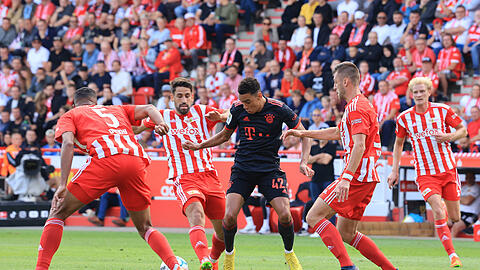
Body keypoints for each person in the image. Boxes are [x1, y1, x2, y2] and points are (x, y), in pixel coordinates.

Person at [35, 87, 185, 270]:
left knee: (57, 213)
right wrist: (160, 123)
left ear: (74, 104)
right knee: (145, 227)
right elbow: (150, 108)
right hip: (135, 161)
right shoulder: (115, 109)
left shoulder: (71, 115)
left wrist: (62, 184)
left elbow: (67, 143)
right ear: (95, 102)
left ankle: (41, 268)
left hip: (105, 160)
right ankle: (175, 265)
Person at [182, 77, 314, 270]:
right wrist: (200, 145)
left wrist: (304, 161)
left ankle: (289, 253)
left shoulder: (279, 109)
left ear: (259, 95)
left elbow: (305, 134)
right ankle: (229, 256)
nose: (244, 106)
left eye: (248, 102)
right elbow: (225, 135)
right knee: (229, 217)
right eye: (242, 102)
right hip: (243, 169)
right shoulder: (237, 109)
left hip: (270, 169)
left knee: (285, 215)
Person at [282, 62, 397, 270]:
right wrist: (302, 133)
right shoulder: (359, 105)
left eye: (336, 83)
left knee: (313, 215)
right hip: (366, 176)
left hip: (357, 176)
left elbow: (359, 145)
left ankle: (347, 267)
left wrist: (346, 178)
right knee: (346, 233)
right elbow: (337, 132)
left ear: (346, 81)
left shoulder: (357, 108)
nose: (334, 88)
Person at [136, 78, 229, 270]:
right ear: (172, 98)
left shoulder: (204, 112)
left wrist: (221, 117)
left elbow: (230, 113)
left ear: (193, 96)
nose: (184, 100)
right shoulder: (160, 116)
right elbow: (135, 128)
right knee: (196, 213)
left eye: (187, 96)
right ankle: (204, 260)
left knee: (225, 231)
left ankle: (212, 258)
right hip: (184, 177)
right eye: (179, 96)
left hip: (210, 176)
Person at [388, 77, 467, 268]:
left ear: (429, 92)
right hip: (424, 173)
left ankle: (445, 219)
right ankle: (452, 256)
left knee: (455, 218)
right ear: (411, 94)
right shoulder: (404, 117)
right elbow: (398, 145)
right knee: (438, 209)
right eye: (415, 92)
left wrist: (449, 136)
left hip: (447, 170)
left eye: (422, 91)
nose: (418, 95)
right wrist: (394, 170)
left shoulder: (442, 110)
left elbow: (462, 131)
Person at [451, 172, 480, 237]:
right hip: (459, 212)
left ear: (474, 178)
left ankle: (450, 246)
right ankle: (437, 243)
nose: (469, 179)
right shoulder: (463, 187)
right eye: (467, 178)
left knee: (455, 227)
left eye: (470, 178)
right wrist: (460, 199)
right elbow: (453, 199)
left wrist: (458, 199)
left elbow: (467, 201)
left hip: (470, 214)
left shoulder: (476, 188)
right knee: (440, 223)